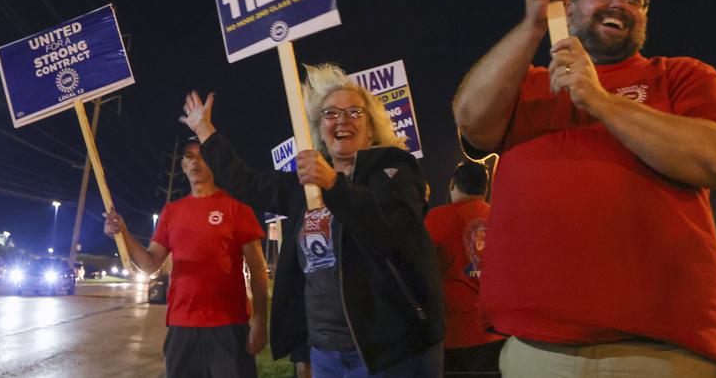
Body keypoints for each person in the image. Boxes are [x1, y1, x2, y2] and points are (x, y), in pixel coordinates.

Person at [454, 0, 716, 377]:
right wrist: (533, 24)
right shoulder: (529, 84)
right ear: (568, 8)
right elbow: (472, 121)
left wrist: (600, 101)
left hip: (657, 353)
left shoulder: (680, 76)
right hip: (535, 350)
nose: (620, 3)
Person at [178, 62, 445, 377]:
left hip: (391, 352)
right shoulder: (304, 187)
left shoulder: (396, 170)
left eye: (354, 113)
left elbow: (391, 233)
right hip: (325, 356)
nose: (341, 120)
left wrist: (334, 184)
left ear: (371, 128)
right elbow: (245, 181)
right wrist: (204, 131)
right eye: (330, 114)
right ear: (319, 129)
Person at [103, 136, 268, 378]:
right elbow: (150, 264)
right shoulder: (171, 212)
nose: (195, 162)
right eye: (189, 156)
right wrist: (124, 234)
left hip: (228, 327)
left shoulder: (236, 207)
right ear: (182, 165)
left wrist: (261, 321)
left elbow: (257, 268)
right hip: (182, 329)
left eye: (202, 156)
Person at [423, 161, 505, 376]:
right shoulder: (501, 218)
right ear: (485, 189)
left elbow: (422, 270)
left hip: (455, 334)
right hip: (497, 334)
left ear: (452, 185)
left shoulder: (436, 218)